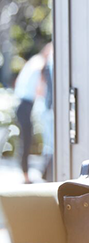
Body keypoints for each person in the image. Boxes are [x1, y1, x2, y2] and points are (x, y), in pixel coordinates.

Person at [13, 43, 52, 184]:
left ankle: (26, 175)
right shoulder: (41, 63)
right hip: (26, 104)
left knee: (25, 139)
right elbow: (40, 89)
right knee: (26, 140)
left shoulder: (33, 61)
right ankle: (25, 176)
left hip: (21, 103)